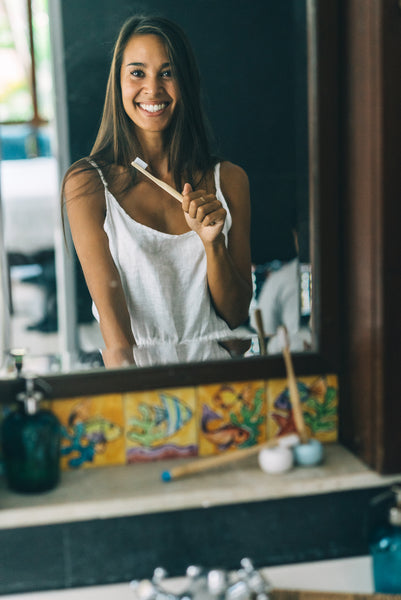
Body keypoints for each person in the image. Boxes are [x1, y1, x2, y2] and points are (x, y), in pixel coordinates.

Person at [62, 15, 252, 368]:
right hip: (142, 388)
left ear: (186, 81)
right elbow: (117, 339)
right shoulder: (87, 185)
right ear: (117, 82)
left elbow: (236, 314)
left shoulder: (230, 180)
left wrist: (214, 244)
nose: (153, 89)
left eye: (167, 72)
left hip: (221, 384)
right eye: (137, 73)